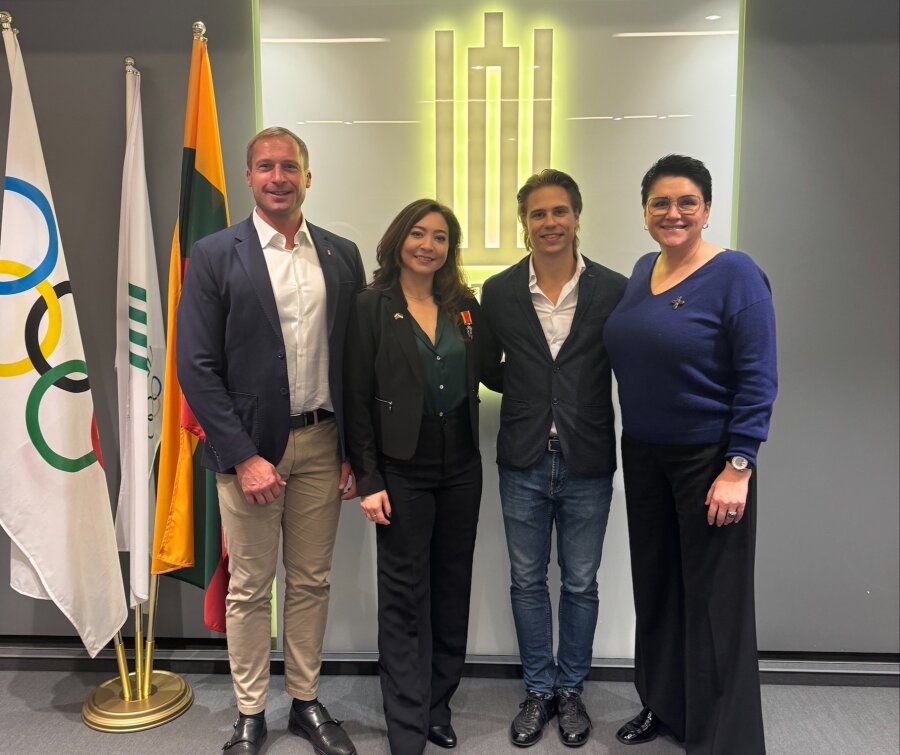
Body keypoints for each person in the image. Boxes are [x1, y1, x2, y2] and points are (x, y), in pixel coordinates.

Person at [177, 127, 365, 755]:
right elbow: (196, 365)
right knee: (251, 587)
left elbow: (354, 360)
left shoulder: (341, 255)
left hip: (324, 443)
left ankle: (305, 703)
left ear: (308, 177)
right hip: (251, 451)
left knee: (311, 581)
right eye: (265, 167)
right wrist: (244, 456)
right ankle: (251, 711)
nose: (278, 177)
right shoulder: (214, 253)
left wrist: (352, 452)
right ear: (249, 177)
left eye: (289, 166)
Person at [604, 154, 776, 754]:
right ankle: (666, 705)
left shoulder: (737, 274)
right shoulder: (642, 269)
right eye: (661, 203)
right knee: (658, 587)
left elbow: (758, 376)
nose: (672, 213)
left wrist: (739, 465)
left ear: (706, 210)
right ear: (645, 211)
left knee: (714, 603)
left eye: (686, 203)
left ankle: (723, 739)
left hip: (710, 461)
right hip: (644, 453)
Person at [479, 169, 627, 748]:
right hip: (523, 459)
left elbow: (627, 360)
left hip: (588, 458)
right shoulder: (499, 292)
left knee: (582, 583)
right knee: (526, 581)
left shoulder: (614, 289)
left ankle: (571, 691)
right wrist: (533, 389)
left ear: (577, 216)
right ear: (524, 222)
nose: (549, 222)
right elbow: (488, 366)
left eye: (559, 211)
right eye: (538, 213)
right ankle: (538, 690)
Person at [343, 199, 490, 754]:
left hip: (462, 466)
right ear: (398, 239)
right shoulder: (371, 306)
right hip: (401, 468)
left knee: (452, 587)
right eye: (419, 233)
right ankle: (406, 724)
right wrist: (368, 478)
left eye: (441, 237)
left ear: (451, 249)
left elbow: (490, 369)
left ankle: (437, 705)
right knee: (405, 594)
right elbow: (356, 397)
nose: (429, 245)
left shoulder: (464, 306)